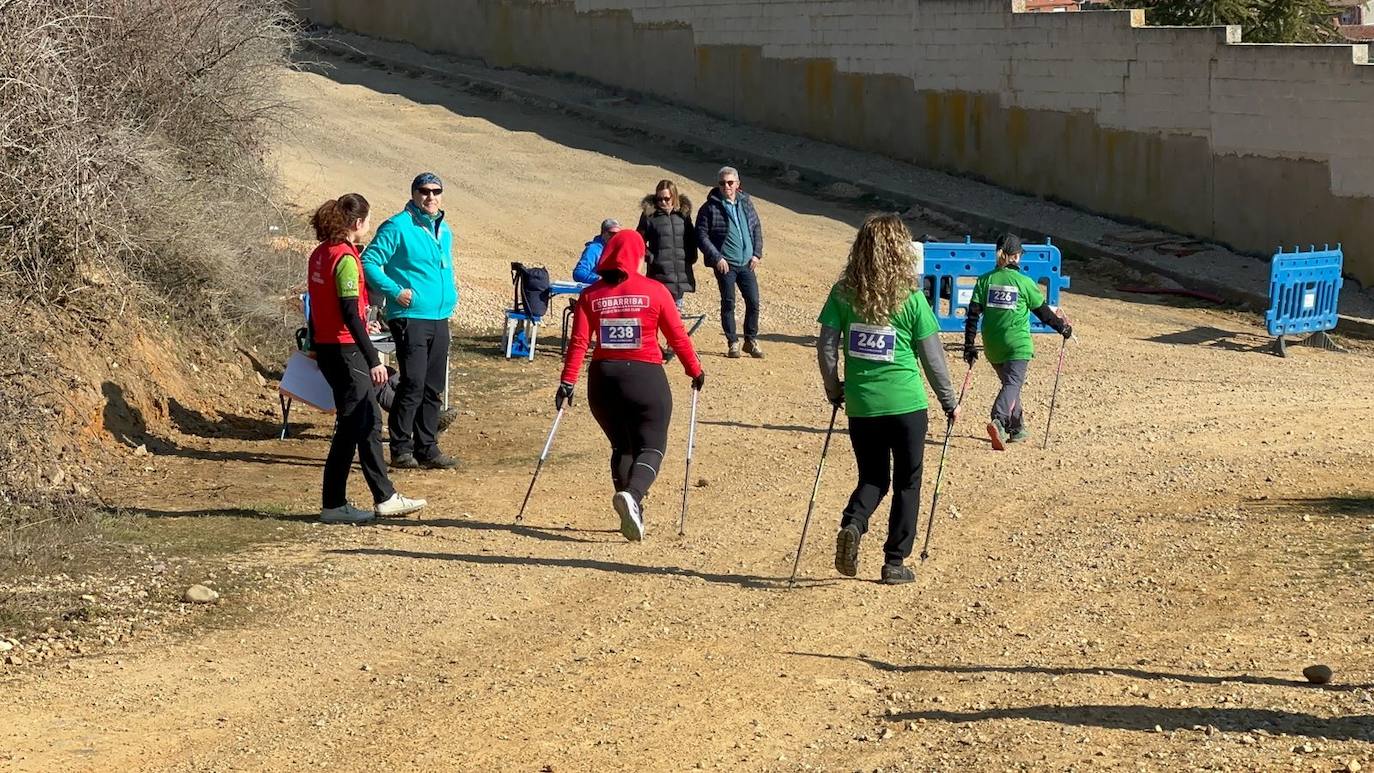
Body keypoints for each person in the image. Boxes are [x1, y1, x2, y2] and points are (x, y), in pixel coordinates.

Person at [816, 213, 958, 585]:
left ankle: (854, 523)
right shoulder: (911, 298)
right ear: (900, 251)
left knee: (873, 477)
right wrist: (949, 400)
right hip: (908, 405)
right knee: (908, 482)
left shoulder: (843, 293)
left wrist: (835, 388)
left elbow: (827, 346)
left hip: (863, 405)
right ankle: (894, 561)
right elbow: (932, 356)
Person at [556, 230, 706, 542]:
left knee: (621, 446)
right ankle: (633, 496)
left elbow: (579, 342)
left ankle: (631, 509)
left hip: (603, 379)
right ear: (637, 256)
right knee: (652, 445)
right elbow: (677, 335)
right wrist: (695, 370)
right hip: (644, 376)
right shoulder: (655, 291)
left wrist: (567, 382)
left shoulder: (590, 295)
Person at [306, 194, 426, 524]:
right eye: (368, 221)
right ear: (357, 224)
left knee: (358, 424)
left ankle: (353, 500)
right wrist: (373, 358)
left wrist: (314, 341)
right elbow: (348, 311)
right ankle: (370, 499)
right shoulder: (345, 257)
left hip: (330, 348)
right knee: (360, 424)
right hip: (346, 352)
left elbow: (318, 305)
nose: (369, 227)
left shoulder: (319, 254)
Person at [362, 172, 459, 470]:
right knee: (413, 382)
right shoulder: (398, 226)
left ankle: (427, 447)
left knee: (432, 386)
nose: (430, 197)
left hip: (439, 316)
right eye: (424, 191)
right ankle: (401, 447)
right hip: (409, 316)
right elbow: (369, 261)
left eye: (435, 191)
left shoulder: (444, 230)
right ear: (414, 194)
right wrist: (394, 291)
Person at [962, 233, 1072, 450]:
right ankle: (998, 418)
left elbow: (973, 314)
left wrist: (969, 345)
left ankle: (1017, 427)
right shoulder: (1024, 282)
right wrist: (1063, 328)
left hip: (993, 345)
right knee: (1013, 384)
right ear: (1016, 257)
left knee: (1010, 385)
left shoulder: (985, 280)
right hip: (1017, 345)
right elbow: (1043, 313)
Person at [696, 166, 764, 359]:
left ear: (737, 184)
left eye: (730, 182)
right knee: (728, 303)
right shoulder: (709, 207)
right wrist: (717, 257)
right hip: (726, 264)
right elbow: (701, 235)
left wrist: (756, 254)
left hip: (747, 264)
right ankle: (733, 342)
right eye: (722, 183)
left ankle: (750, 340)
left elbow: (756, 227)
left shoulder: (746, 203)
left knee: (753, 302)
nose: (726, 186)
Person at [573, 219, 622, 285]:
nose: (614, 237)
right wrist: (599, 279)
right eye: (611, 233)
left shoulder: (618, 250)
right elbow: (579, 273)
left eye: (617, 234)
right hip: (597, 291)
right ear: (603, 233)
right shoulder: (593, 249)